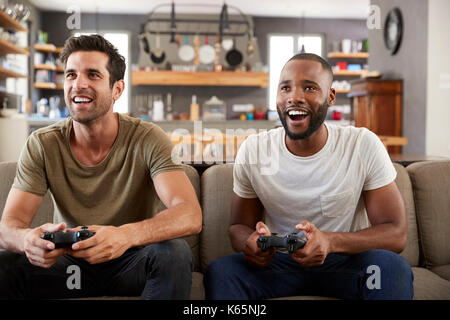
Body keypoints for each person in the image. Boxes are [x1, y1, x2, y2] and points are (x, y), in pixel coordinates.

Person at [0, 34, 202, 299]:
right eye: (71, 75)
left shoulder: (148, 138)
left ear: (117, 89)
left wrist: (125, 236)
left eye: (93, 75)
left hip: (132, 262)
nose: (78, 84)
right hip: (70, 268)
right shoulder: (42, 143)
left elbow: (190, 214)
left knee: (174, 252)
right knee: (5, 264)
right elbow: (8, 228)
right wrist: (27, 240)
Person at [204, 53, 413, 300]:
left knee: (390, 268)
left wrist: (330, 242)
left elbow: (395, 233)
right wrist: (250, 244)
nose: (295, 97)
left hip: (345, 263)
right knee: (222, 272)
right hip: (279, 265)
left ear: (330, 97)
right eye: (285, 88)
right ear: (277, 97)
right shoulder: (254, 150)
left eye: (310, 88)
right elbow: (238, 227)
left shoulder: (362, 144)